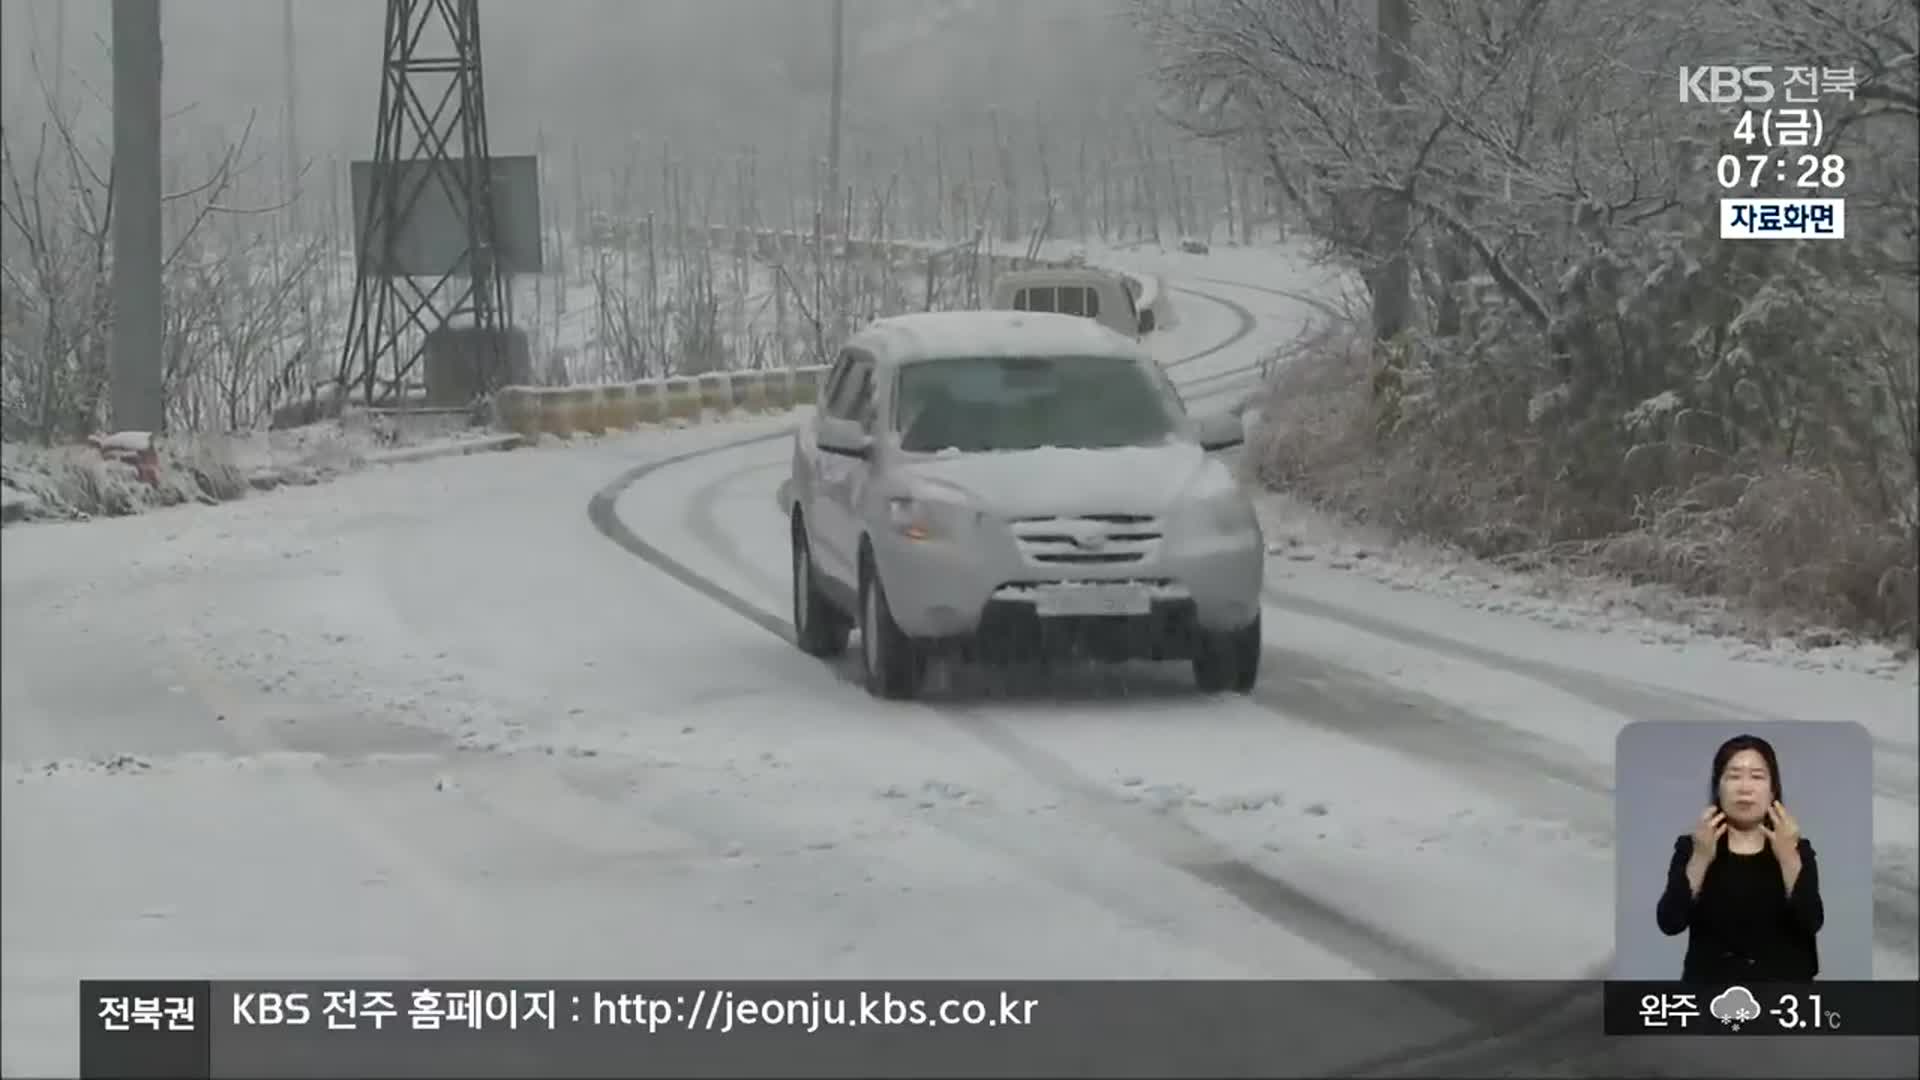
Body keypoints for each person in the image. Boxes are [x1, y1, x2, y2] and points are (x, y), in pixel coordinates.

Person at [1655, 733, 1824, 981]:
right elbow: (1670, 922)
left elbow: (1811, 921)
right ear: (1718, 786)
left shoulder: (1797, 848)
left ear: (1773, 789)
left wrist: (1788, 857)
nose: (1745, 788)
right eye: (1733, 776)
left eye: (1757, 776)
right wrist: (1701, 857)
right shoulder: (1693, 847)